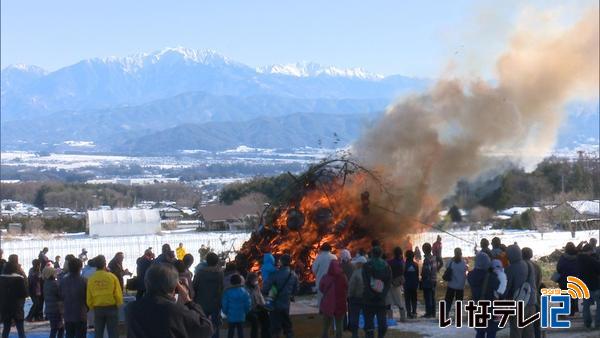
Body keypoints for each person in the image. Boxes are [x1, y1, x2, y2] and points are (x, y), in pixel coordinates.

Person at [126, 263, 214, 338]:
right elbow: (207, 329)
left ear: (146, 282)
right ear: (175, 286)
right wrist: (188, 301)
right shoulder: (177, 311)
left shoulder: (131, 309)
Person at [262, 254, 298, 338]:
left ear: (281, 262)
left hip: (275, 305)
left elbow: (265, 288)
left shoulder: (275, 274)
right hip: (286, 304)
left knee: (275, 329)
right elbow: (296, 289)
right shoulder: (293, 275)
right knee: (288, 327)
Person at [503, 244, 536, 338]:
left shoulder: (510, 269)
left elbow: (506, 288)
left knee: (516, 331)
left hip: (519, 304)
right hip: (531, 302)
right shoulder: (529, 265)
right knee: (529, 331)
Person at [86, 255, 123, 338]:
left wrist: (91, 306)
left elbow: (89, 295)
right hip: (111, 307)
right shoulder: (112, 277)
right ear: (105, 264)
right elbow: (118, 294)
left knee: (98, 332)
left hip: (98, 308)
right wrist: (118, 304)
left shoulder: (91, 279)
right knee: (113, 332)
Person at [467, 253, 500, 338]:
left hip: (477, 305)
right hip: (490, 306)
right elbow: (498, 286)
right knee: (491, 331)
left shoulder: (470, 275)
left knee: (480, 331)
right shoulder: (491, 276)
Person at [362, 246, 391, 338]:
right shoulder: (386, 266)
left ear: (372, 254)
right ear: (381, 254)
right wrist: (382, 295)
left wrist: (370, 294)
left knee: (369, 323)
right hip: (381, 300)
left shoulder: (367, 265)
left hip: (369, 300)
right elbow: (388, 283)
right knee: (382, 323)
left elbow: (365, 282)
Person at [193, 252, 224, 338]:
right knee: (215, 325)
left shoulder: (200, 273)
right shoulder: (220, 273)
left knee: (202, 325)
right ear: (216, 261)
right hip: (215, 303)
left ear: (207, 261)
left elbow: (194, 286)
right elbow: (222, 287)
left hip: (201, 302)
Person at [319, 259, 348, 338]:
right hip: (340, 303)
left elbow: (321, 288)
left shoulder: (325, 277)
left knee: (326, 326)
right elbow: (346, 287)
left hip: (328, 304)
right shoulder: (343, 277)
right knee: (339, 325)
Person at [59, 258, 88, 338]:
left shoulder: (63, 281)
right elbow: (88, 298)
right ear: (80, 267)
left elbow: (60, 299)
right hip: (81, 314)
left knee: (69, 334)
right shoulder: (84, 281)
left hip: (68, 314)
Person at [0, 261, 28, 338]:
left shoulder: (1, 279)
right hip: (17, 307)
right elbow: (24, 294)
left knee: (6, 329)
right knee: (20, 330)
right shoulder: (19, 279)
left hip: (5, 307)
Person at [577, 244, 600, 329]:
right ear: (590, 250)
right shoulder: (591, 260)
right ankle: (598, 323)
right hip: (594, 285)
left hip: (583, 285)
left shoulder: (578, 259)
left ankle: (587, 323)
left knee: (586, 305)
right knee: (599, 305)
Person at [522, 247, 542, 338]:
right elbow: (539, 281)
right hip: (535, 297)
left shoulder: (521, 266)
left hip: (523, 298)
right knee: (536, 324)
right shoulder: (536, 266)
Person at [556, 242, 579, 315]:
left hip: (563, 279)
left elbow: (558, 268)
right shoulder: (577, 257)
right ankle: (572, 311)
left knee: (564, 294)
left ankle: (563, 311)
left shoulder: (563, 257)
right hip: (574, 279)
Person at [443, 248, 467, 317]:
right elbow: (465, 271)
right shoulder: (463, 263)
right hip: (460, 286)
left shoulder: (450, 262)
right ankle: (457, 316)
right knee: (458, 302)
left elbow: (446, 267)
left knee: (448, 301)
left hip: (451, 285)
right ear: (461, 253)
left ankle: (446, 314)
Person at [245, 272, 269, 338]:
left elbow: (260, 296)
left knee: (266, 316)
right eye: (255, 280)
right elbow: (247, 302)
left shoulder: (256, 287)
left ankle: (265, 335)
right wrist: (254, 307)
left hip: (257, 308)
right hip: (249, 310)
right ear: (250, 280)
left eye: (256, 280)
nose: (256, 281)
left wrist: (263, 305)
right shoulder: (245, 289)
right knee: (254, 320)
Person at [43, 266, 65, 338]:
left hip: (49, 309)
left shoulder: (46, 283)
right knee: (58, 328)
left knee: (55, 328)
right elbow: (60, 295)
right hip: (56, 309)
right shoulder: (54, 284)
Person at [348, 255, 366, 338]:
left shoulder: (356, 273)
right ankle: (368, 333)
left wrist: (349, 296)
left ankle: (355, 334)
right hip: (366, 298)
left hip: (356, 298)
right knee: (367, 316)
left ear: (359, 264)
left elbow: (351, 286)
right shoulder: (368, 272)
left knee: (354, 316)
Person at [387, 246, 406, 321]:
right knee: (399, 302)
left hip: (389, 284)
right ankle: (403, 318)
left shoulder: (389, 262)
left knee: (388, 302)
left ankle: (390, 318)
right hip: (398, 284)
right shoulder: (402, 262)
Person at [420, 242, 437, 318]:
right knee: (432, 297)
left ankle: (428, 313)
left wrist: (422, 277)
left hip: (428, 281)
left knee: (427, 297)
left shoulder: (427, 259)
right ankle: (433, 313)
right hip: (434, 279)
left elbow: (427, 271)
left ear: (424, 250)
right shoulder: (433, 258)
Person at [403, 250, 419, 319]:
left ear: (406, 256)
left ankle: (409, 313)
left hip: (406, 285)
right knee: (414, 299)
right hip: (414, 285)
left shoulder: (404, 265)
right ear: (413, 256)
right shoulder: (415, 265)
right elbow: (417, 275)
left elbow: (403, 275)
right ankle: (414, 312)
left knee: (407, 299)